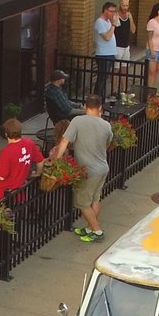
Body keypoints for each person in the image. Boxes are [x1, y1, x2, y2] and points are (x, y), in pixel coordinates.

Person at [52, 94, 111, 243]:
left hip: (88, 171)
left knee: (82, 203)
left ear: (85, 106)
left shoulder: (77, 121)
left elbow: (64, 141)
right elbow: (108, 143)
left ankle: (97, 231)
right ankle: (90, 228)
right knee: (95, 200)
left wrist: (57, 161)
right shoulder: (106, 125)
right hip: (103, 168)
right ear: (100, 108)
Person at [0, 117, 45, 207]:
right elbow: (40, 161)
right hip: (20, 191)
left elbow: (1, 177)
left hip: (4, 195)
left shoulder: (6, 152)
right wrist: (38, 173)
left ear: (6, 134)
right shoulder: (29, 143)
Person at [93, 0, 120, 96]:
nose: (113, 13)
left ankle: (101, 97)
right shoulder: (99, 22)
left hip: (110, 53)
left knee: (105, 78)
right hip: (103, 54)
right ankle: (97, 97)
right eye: (111, 11)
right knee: (102, 78)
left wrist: (114, 22)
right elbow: (107, 37)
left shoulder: (108, 21)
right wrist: (113, 25)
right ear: (105, 10)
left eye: (114, 11)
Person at [114, 0, 137, 64]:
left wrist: (131, 18)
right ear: (120, 5)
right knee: (116, 67)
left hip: (126, 46)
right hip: (117, 46)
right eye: (123, 5)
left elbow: (133, 30)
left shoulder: (129, 16)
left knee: (125, 66)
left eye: (127, 5)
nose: (125, 8)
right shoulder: (116, 15)